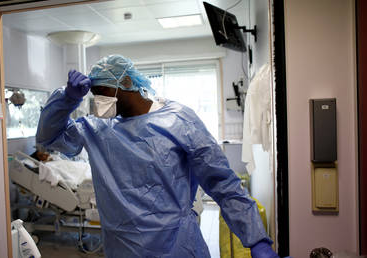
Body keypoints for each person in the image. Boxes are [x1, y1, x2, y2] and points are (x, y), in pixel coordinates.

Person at [36, 54, 278, 258]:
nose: (98, 100)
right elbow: (48, 138)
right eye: (94, 94)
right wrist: (66, 98)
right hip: (122, 247)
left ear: (127, 82)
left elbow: (221, 181)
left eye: (103, 91)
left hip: (176, 245)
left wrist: (256, 238)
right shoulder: (97, 129)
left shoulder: (178, 119)